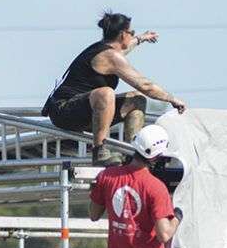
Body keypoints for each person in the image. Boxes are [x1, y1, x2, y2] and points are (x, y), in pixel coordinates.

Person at [42, 11, 186, 166]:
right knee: (106, 93)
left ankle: (132, 153)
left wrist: (140, 38)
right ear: (123, 34)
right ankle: (100, 152)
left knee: (136, 99)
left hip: (81, 109)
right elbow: (145, 85)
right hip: (63, 111)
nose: (132, 36)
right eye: (132, 33)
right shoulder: (109, 57)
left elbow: (123, 49)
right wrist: (172, 99)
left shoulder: (106, 50)